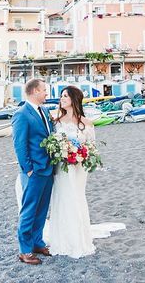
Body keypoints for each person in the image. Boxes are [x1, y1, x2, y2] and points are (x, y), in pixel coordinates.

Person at [46, 85, 96, 258]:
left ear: (74, 99)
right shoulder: (56, 121)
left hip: (80, 167)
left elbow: (91, 147)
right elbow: (52, 144)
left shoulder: (86, 123)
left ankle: (80, 239)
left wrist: (81, 154)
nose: (62, 98)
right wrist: (63, 151)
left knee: (77, 197)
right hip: (62, 167)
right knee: (63, 198)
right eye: (61, 96)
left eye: (66, 96)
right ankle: (64, 239)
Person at [12, 78, 54, 265]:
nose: (46, 93)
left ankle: (37, 243)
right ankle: (25, 250)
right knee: (28, 210)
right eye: (44, 90)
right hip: (34, 171)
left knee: (42, 209)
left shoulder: (44, 110)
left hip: (48, 168)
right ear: (35, 91)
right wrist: (28, 169)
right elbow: (19, 145)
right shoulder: (21, 114)